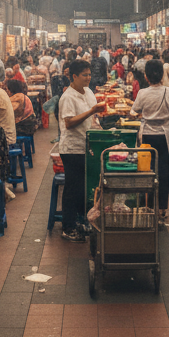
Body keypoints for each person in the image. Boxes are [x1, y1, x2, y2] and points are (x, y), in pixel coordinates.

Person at [132, 60, 169, 223]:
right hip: (166, 136)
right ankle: (161, 210)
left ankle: (147, 206)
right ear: (162, 74)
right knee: (164, 173)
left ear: (146, 77)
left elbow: (133, 112)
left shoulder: (142, 93)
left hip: (147, 137)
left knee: (146, 171)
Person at [58, 60, 105, 242]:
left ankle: (79, 222)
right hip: (72, 148)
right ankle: (67, 228)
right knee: (72, 189)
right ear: (74, 76)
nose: (88, 78)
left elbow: (92, 117)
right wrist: (92, 110)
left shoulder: (89, 92)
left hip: (86, 146)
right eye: (84, 75)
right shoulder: (68, 97)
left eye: (89, 74)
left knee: (82, 188)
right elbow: (68, 123)